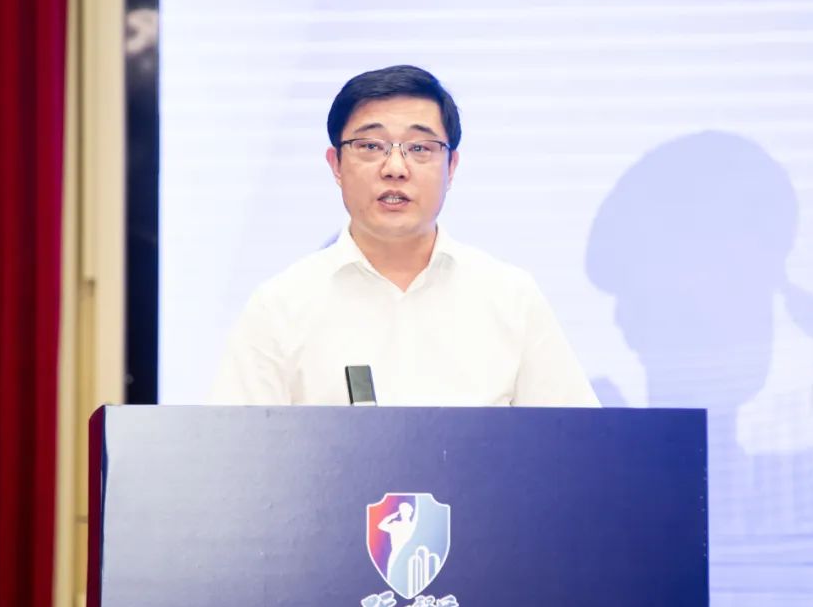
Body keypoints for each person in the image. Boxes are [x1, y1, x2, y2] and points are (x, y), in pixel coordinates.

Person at [211, 64, 598, 407]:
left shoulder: (511, 297)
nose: (395, 167)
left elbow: (577, 444)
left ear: (451, 167)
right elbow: (237, 453)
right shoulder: (280, 306)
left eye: (420, 148)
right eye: (370, 146)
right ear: (336, 165)